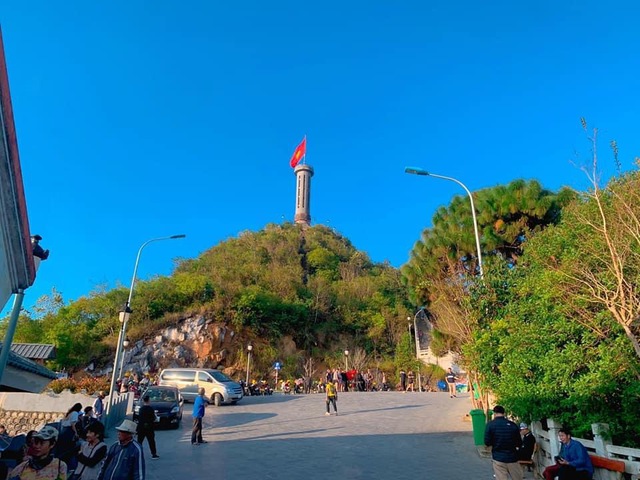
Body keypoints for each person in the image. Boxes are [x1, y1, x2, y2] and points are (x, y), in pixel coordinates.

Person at [484, 405, 522, 480]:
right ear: (504, 413)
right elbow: (519, 442)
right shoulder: (512, 425)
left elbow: (487, 442)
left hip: (498, 457)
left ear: (494, 413)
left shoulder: (490, 425)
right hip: (512, 457)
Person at [58, 403, 82, 473]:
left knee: (62, 449)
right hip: (68, 432)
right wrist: (76, 433)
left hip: (64, 431)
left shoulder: (70, 413)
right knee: (69, 449)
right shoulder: (75, 413)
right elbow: (73, 424)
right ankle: (69, 467)